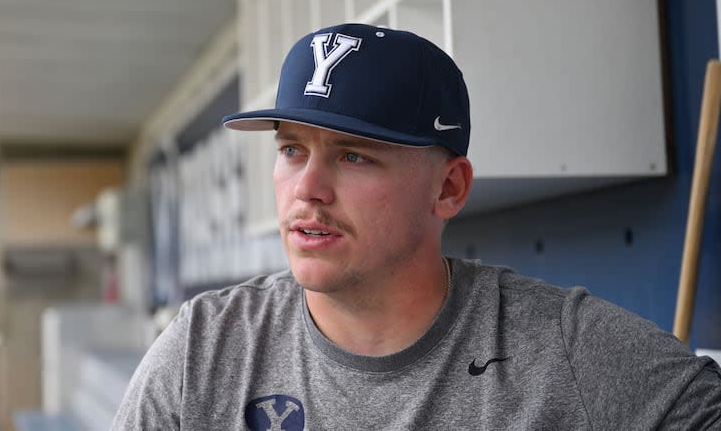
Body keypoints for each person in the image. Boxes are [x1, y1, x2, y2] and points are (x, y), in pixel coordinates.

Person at [112, 23, 721, 430]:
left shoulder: (556, 348)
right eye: (292, 150)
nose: (307, 189)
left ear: (448, 188)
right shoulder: (206, 350)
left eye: (354, 156)